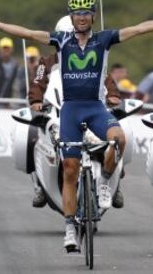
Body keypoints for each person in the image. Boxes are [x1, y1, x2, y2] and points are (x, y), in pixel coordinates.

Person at [0, 0, 153, 250]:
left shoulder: (104, 39)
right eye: (77, 14)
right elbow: (27, 33)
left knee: (119, 139)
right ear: (72, 18)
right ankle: (69, 227)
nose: (82, 18)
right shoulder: (61, 40)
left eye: (86, 13)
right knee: (69, 168)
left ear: (93, 15)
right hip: (70, 109)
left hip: (95, 107)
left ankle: (104, 180)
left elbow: (139, 29)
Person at [28, 15, 125, 209]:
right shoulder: (45, 63)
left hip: (92, 107)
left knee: (120, 136)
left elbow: (106, 80)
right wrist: (36, 101)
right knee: (33, 137)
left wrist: (113, 97)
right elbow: (38, 83)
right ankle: (39, 184)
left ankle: (117, 182)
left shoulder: (94, 54)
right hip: (57, 110)